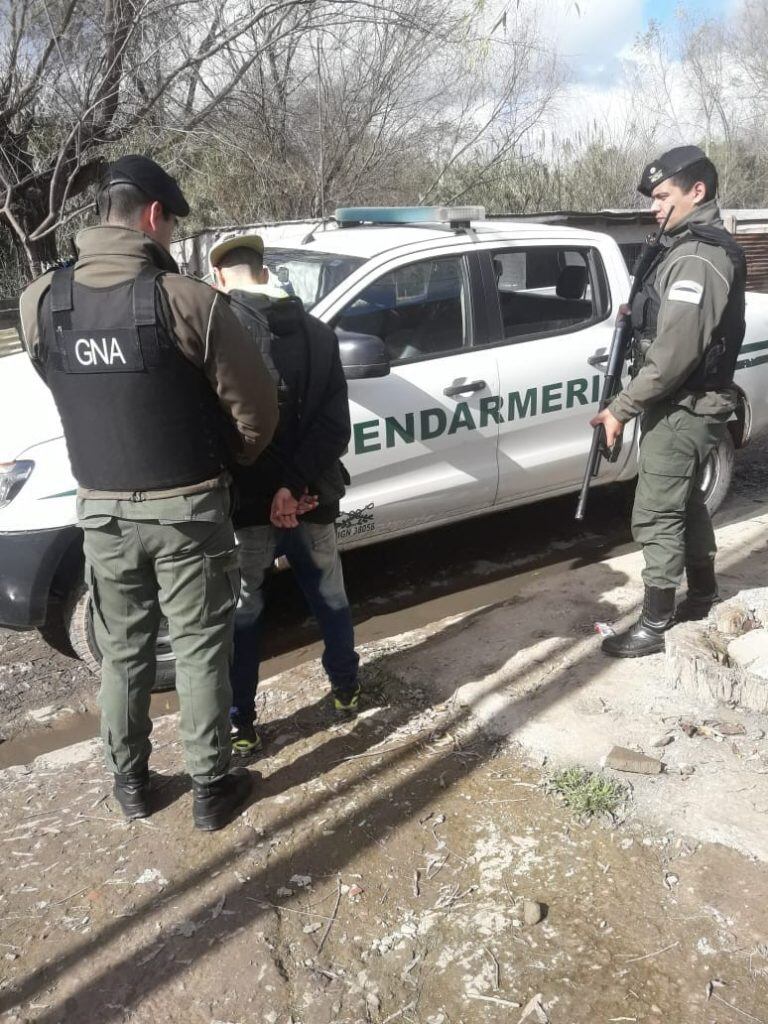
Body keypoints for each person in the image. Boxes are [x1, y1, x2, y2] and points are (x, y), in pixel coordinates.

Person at [19, 156, 279, 829]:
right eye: (171, 227)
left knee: (124, 652)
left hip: (101, 509)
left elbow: (61, 381)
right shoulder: (188, 300)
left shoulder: (42, 300)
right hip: (188, 510)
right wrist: (226, 457)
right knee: (197, 649)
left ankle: (130, 783)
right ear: (155, 216)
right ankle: (210, 788)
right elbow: (258, 412)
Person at [590, 145, 747, 657]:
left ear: (696, 191)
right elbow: (669, 329)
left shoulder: (699, 255)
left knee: (656, 512)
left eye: (663, 195)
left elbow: (675, 355)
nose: (655, 206)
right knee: (685, 502)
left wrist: (620, 407)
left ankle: (654, 625)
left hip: (685, 405)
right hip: (689, 402)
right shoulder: (686, 247)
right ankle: (701, 595)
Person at [208, 233, 360, 756]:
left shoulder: (221, 336)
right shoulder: (321, 333)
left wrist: (273, 490)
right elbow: (335, 428)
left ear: (221, 279)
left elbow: (237, 432)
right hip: (312, 494)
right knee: (330, 596)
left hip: (251, 506)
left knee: (245, 610)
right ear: (265, 271)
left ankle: (242, 724)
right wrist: (294, 487)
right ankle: (346, 689)